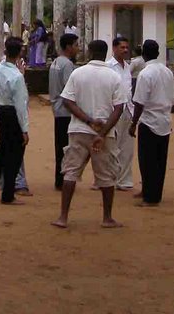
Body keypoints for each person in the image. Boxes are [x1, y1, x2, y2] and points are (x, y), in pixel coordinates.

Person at [52, 39, 126, 230]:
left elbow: (68, 101)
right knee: (107, 176)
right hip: (103, 134)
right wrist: (102, 130)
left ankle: (63, 216)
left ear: (90, 52)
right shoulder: (113, 76)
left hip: (79, 130)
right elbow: (118, 109)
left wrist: (87, 120)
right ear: (106, 52)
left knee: (71, 172)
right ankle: (107, 217)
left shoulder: (78, 73)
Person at [0, 37, 30, 205]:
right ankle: (8, 194)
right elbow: (21, 105)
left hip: (2, 110)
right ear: (19, 54)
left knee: (1, 152)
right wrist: (25, 129)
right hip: (12, 113)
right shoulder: (17, 76)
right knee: (14, 155)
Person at [129, 39, 174, 206]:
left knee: (147, 160)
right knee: (160, 160)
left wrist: (134, 123)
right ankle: (151, 191)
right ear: (158, 53)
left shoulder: (145, 74)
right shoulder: (167, 71)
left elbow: (139, 102)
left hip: (149, 120)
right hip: (164, 119)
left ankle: (150, 197)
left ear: (143, 55)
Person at [105, 36, 135, 191]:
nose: (125, 50)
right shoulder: (108, 67)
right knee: (111, 147)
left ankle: (124, 180)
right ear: (114, 48)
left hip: (128, 110)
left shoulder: (128, 67)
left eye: (126, 47)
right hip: (114, 111)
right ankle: (107, 179)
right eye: (122, 47)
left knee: (127, 148)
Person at [49, 33, 78, 190]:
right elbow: (70, 88)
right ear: (68, 46)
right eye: (76, 45)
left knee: (60, 146)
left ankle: (60, 178)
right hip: (65, 111)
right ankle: (63, 179)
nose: (77, 48)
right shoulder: (66, 64)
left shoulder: (56, 62)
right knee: (66, 148)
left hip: (57, 108)